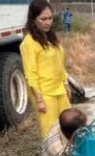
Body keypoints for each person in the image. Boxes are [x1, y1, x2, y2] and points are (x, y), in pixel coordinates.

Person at [22, 0, 71, 140]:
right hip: (44, 93)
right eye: (43, 19)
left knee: (68, 125)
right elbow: (30, 74)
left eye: (50, 18)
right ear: (33, 19)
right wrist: (39, 100)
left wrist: (66, 84)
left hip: (59, 88)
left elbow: (59, 64)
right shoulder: (29, 43)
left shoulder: (51, 38)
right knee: (51, 132)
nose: (48, 22)